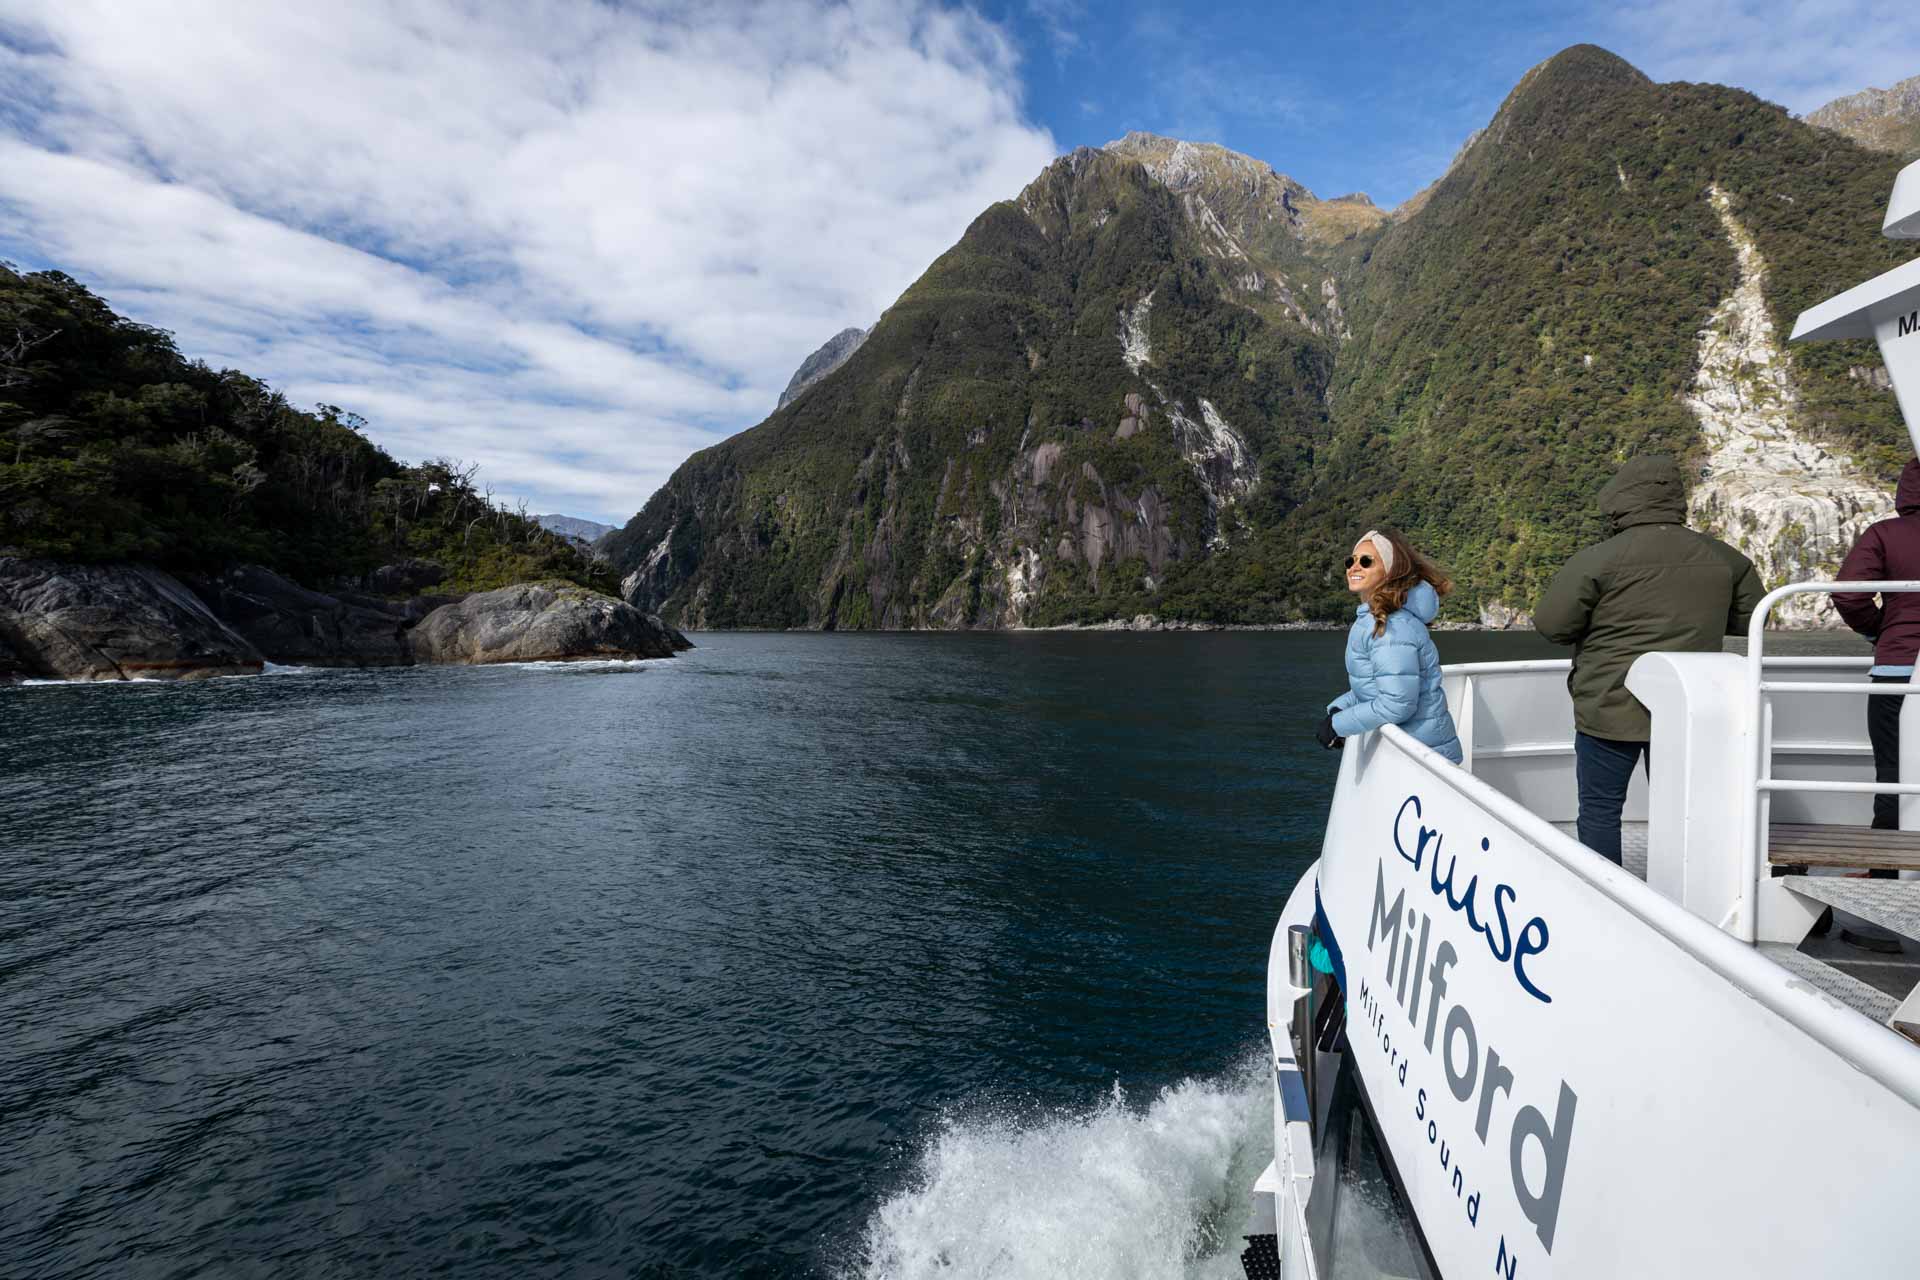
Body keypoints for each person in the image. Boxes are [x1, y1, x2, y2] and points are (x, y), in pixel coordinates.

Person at [1534, 454, 1764, 864]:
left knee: (1601, 810)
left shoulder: (1597, 559)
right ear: (1677, 498)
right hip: (1687, 709)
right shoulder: (1726, 559)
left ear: (1619, 498)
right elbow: (1753, 622)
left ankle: (1604, 899)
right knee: (1685, 811)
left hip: (1608, 704)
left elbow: (1554, 625)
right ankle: (1685, 900)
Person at [1830, 458, 1920, 875]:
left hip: (1899, 669)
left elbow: (1849, 595)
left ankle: (1885, 870)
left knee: (1894, 768)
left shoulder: (1886, 534)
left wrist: (1880, 631)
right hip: (1898, 661)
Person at [1317, 528, 1463, 764]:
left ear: (1390, 571)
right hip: (1414, 753)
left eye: (1366, 561)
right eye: (1350, 561)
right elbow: (1375, 687)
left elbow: (1397, 704)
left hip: (1423, 759)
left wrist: (1338, 726)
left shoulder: (1391, 628)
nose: (1354, 567)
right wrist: (1339, 709)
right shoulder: (1377, 619)